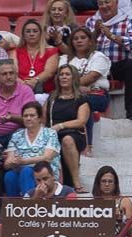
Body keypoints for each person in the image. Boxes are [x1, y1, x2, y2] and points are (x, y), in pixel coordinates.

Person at [85, 0, 132, 122]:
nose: (104, 6)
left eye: (107, 2)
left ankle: (131, 111)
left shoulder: (128, 20)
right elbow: (83, 48)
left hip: (117, 66)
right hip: (96, 67)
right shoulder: (91, 22)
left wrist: (112, 36)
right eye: (101, 4)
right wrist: (95, 33)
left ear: (116, 3)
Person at [60, 26, 112, 144]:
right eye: (75, 38)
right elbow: (59, 79)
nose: (79, 40)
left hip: (96, 94)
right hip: (71, 95)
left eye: (83, 38)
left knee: (83, 103)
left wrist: (72, 86)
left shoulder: (98, 56)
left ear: (90, 41)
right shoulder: (64, 59)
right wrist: (77, 88)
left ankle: (87, 145)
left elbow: (92, 77)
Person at [3, 101, 61, 197]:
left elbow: (47, 158)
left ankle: (29, 206)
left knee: (26, 171)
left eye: (32, 115)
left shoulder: (50, 133)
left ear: (39, 118)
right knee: (9, 176)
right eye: (25, 116)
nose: (28, 118)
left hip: (44, 173)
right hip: (20, 170)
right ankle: (14, 208)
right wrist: (13, 162)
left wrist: (24, 161)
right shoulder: (16, 136)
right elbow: (7, 163)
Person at [45, 63, 89, 192]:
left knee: (67, 139)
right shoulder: (52, 98)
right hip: (53, 134)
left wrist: (60, 126)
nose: (64, 77)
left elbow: (81, 121)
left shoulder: (81, 99)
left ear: (73, 78)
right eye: (61, 74)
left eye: (67, 74)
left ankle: (76, 184)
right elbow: (43, 120)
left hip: (74, 133)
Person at [0, 59, 35, 149]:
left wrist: (12, 118)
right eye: (4, 74)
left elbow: (32, 118)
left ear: (16, 75)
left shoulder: (26, 90)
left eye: (11, 73)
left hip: (17, 132)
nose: (8, 77)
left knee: (22, 133)